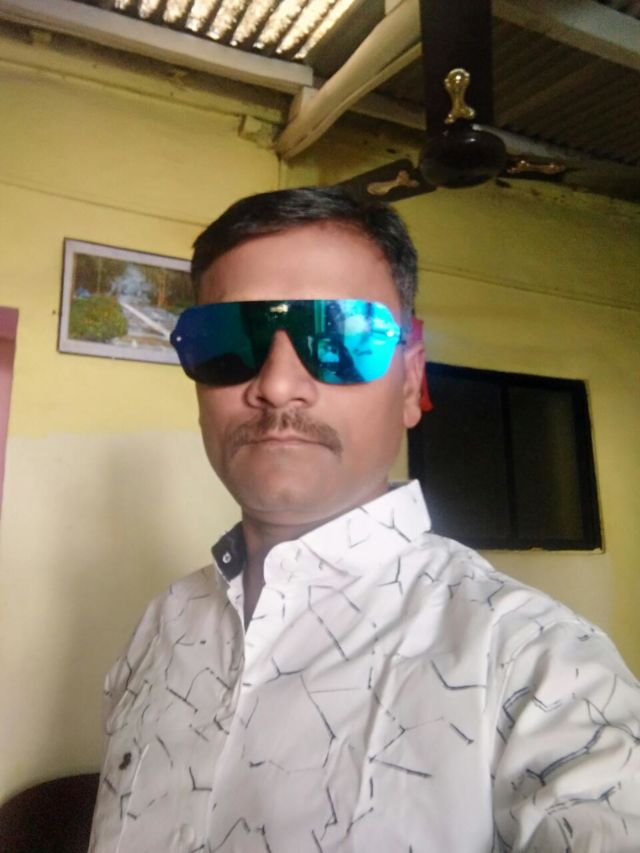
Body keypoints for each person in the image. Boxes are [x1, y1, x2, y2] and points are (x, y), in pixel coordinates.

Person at [89, 187, 640, 853]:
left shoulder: (537, 665)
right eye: (230, 340)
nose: (278, 384)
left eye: (339, 337)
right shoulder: (163, 624)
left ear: (409, 382)